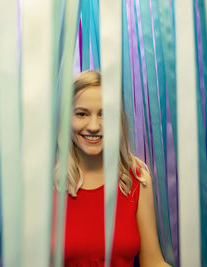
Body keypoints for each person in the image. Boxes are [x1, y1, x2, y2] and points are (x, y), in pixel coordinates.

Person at [55, 70, 171, 267]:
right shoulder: (48, 184)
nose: (93, 126)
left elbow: (153, 262)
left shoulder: (136, 178)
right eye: (82, 114)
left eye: (104, 114)